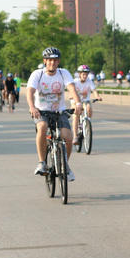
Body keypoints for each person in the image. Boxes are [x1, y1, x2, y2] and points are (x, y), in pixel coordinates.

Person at [27, 47, 82, 181]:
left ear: (58, 61)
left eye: (55, 60)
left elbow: (71, 88)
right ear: (45, 61)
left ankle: (65, 166)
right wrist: (32, 107)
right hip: (42, 111)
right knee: (42, 127)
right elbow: (30, 91)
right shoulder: (37, 74)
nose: (52, 63)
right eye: (50, 60)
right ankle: (42, 163)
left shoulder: (63, 73)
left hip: (59, 111)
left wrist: (78, 103)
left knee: (67, 137)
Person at [72, 65, 102, 144]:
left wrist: (97, 96)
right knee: (76, 115)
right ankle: (75, 136)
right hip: (76, 101)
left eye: (86, 74)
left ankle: (87, 124)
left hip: (85, 101)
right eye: (83, 74)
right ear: (79, 74)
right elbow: (71, 91)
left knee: (89, 109)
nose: (85, 76)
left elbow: (94, 90)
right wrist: (72, 98)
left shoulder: (89, 81)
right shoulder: (75, 82)